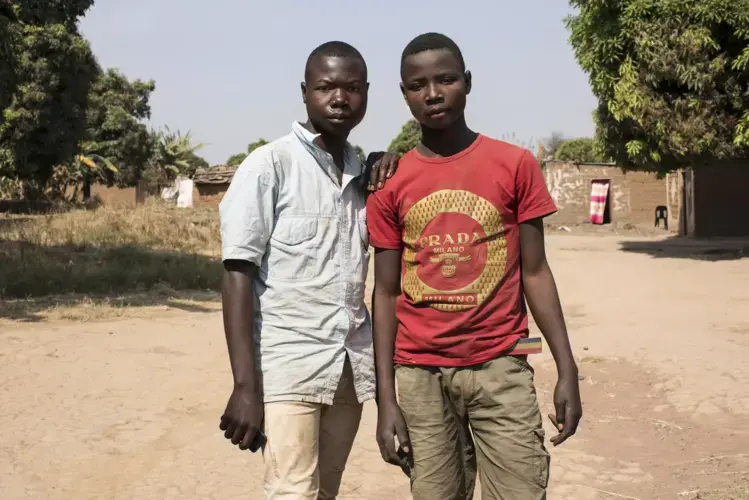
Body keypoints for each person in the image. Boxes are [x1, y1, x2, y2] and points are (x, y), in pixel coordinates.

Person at [367, 32, 583, 500]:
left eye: (446, 79)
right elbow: (384, 293)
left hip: (500, 367)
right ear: (403, 94)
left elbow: (536, 271)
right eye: (418, 85)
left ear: (467, 82)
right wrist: (386, 402)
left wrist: (568, 367)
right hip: (420, 377)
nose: (434, 94)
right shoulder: (388, 183)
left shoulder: (515, 164)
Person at [218, 41, 400, 499]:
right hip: (288, 365)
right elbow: (237, 273)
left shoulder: (367, 173)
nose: (340, 98)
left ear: (366, 94)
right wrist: (245, 387)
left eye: (352, 88)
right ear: (304, 93)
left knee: (324, 492)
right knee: (291, 491)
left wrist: (384, 162)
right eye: (326, 87)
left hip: (348, 366)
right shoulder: (270, 166)